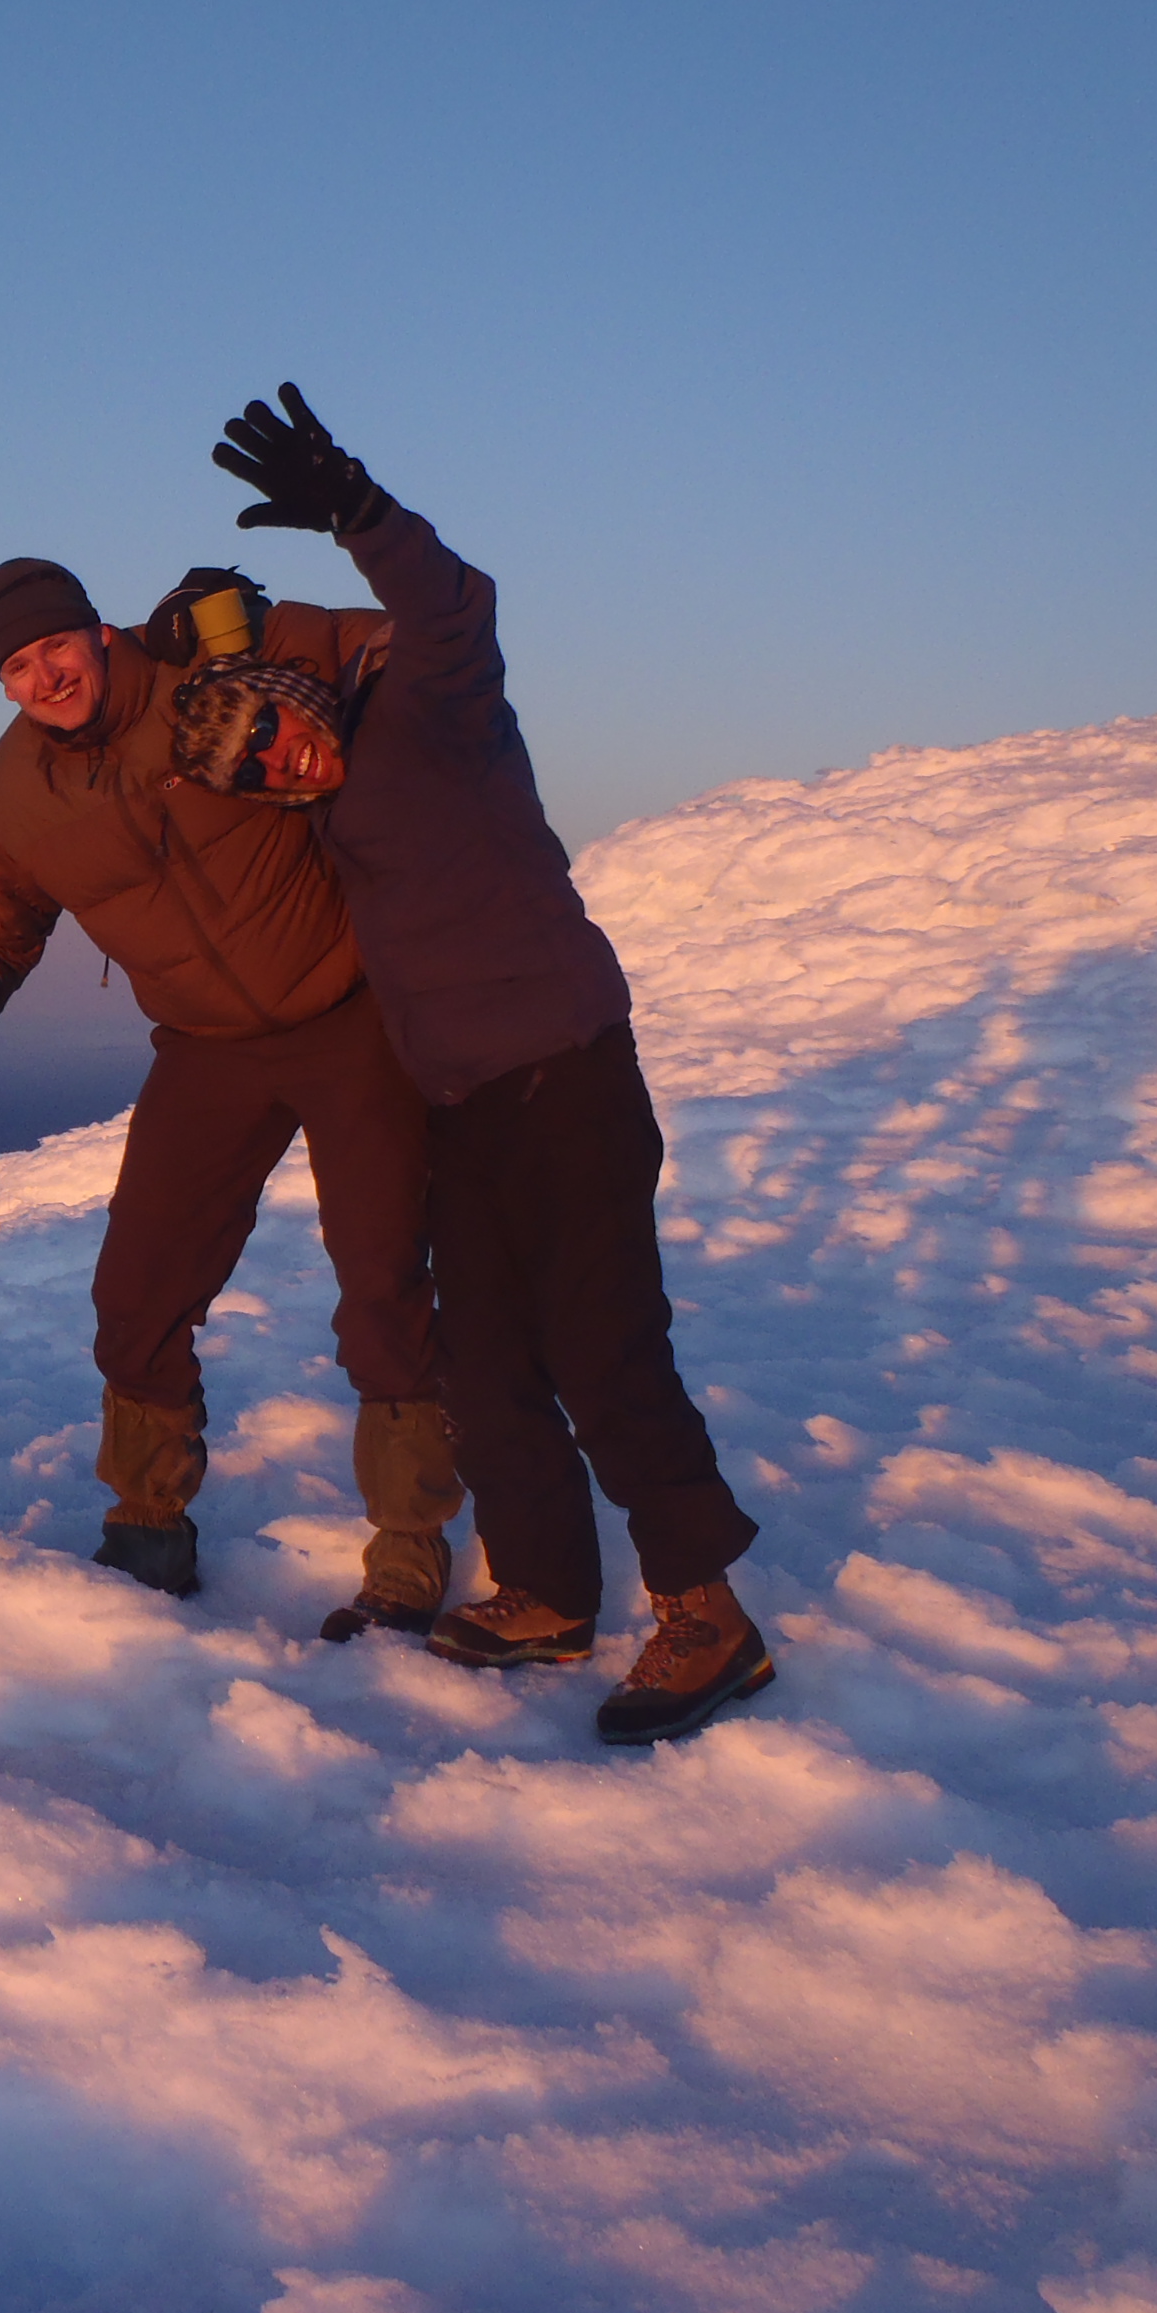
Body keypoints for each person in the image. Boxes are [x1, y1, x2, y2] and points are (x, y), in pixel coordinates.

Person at [171, 383, 775, 1744]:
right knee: (490, 1361)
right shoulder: (332, 814)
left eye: (269, 731)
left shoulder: (428, 711)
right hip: (467, 1105)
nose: (276, 763)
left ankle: (706, 1610)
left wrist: (358, 510)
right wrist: (197, 643)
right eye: (251, 771)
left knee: (602, 1347)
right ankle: (548, 1592)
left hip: (565, 1069)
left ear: (296, 699)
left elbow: (457, 609)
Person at [0, 550, 452, 1619]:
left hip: (349, 1011)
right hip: (205, 1046)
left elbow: (389, 646)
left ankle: (409, 1545)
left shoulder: (205, 663)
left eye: (55, 646)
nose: (45, 677)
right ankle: (149, 1524)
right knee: (139, 1289)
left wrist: (275, 631)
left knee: (384, 1278)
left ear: (98, 633)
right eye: (17, 667)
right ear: (2, 685)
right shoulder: (16, 789)